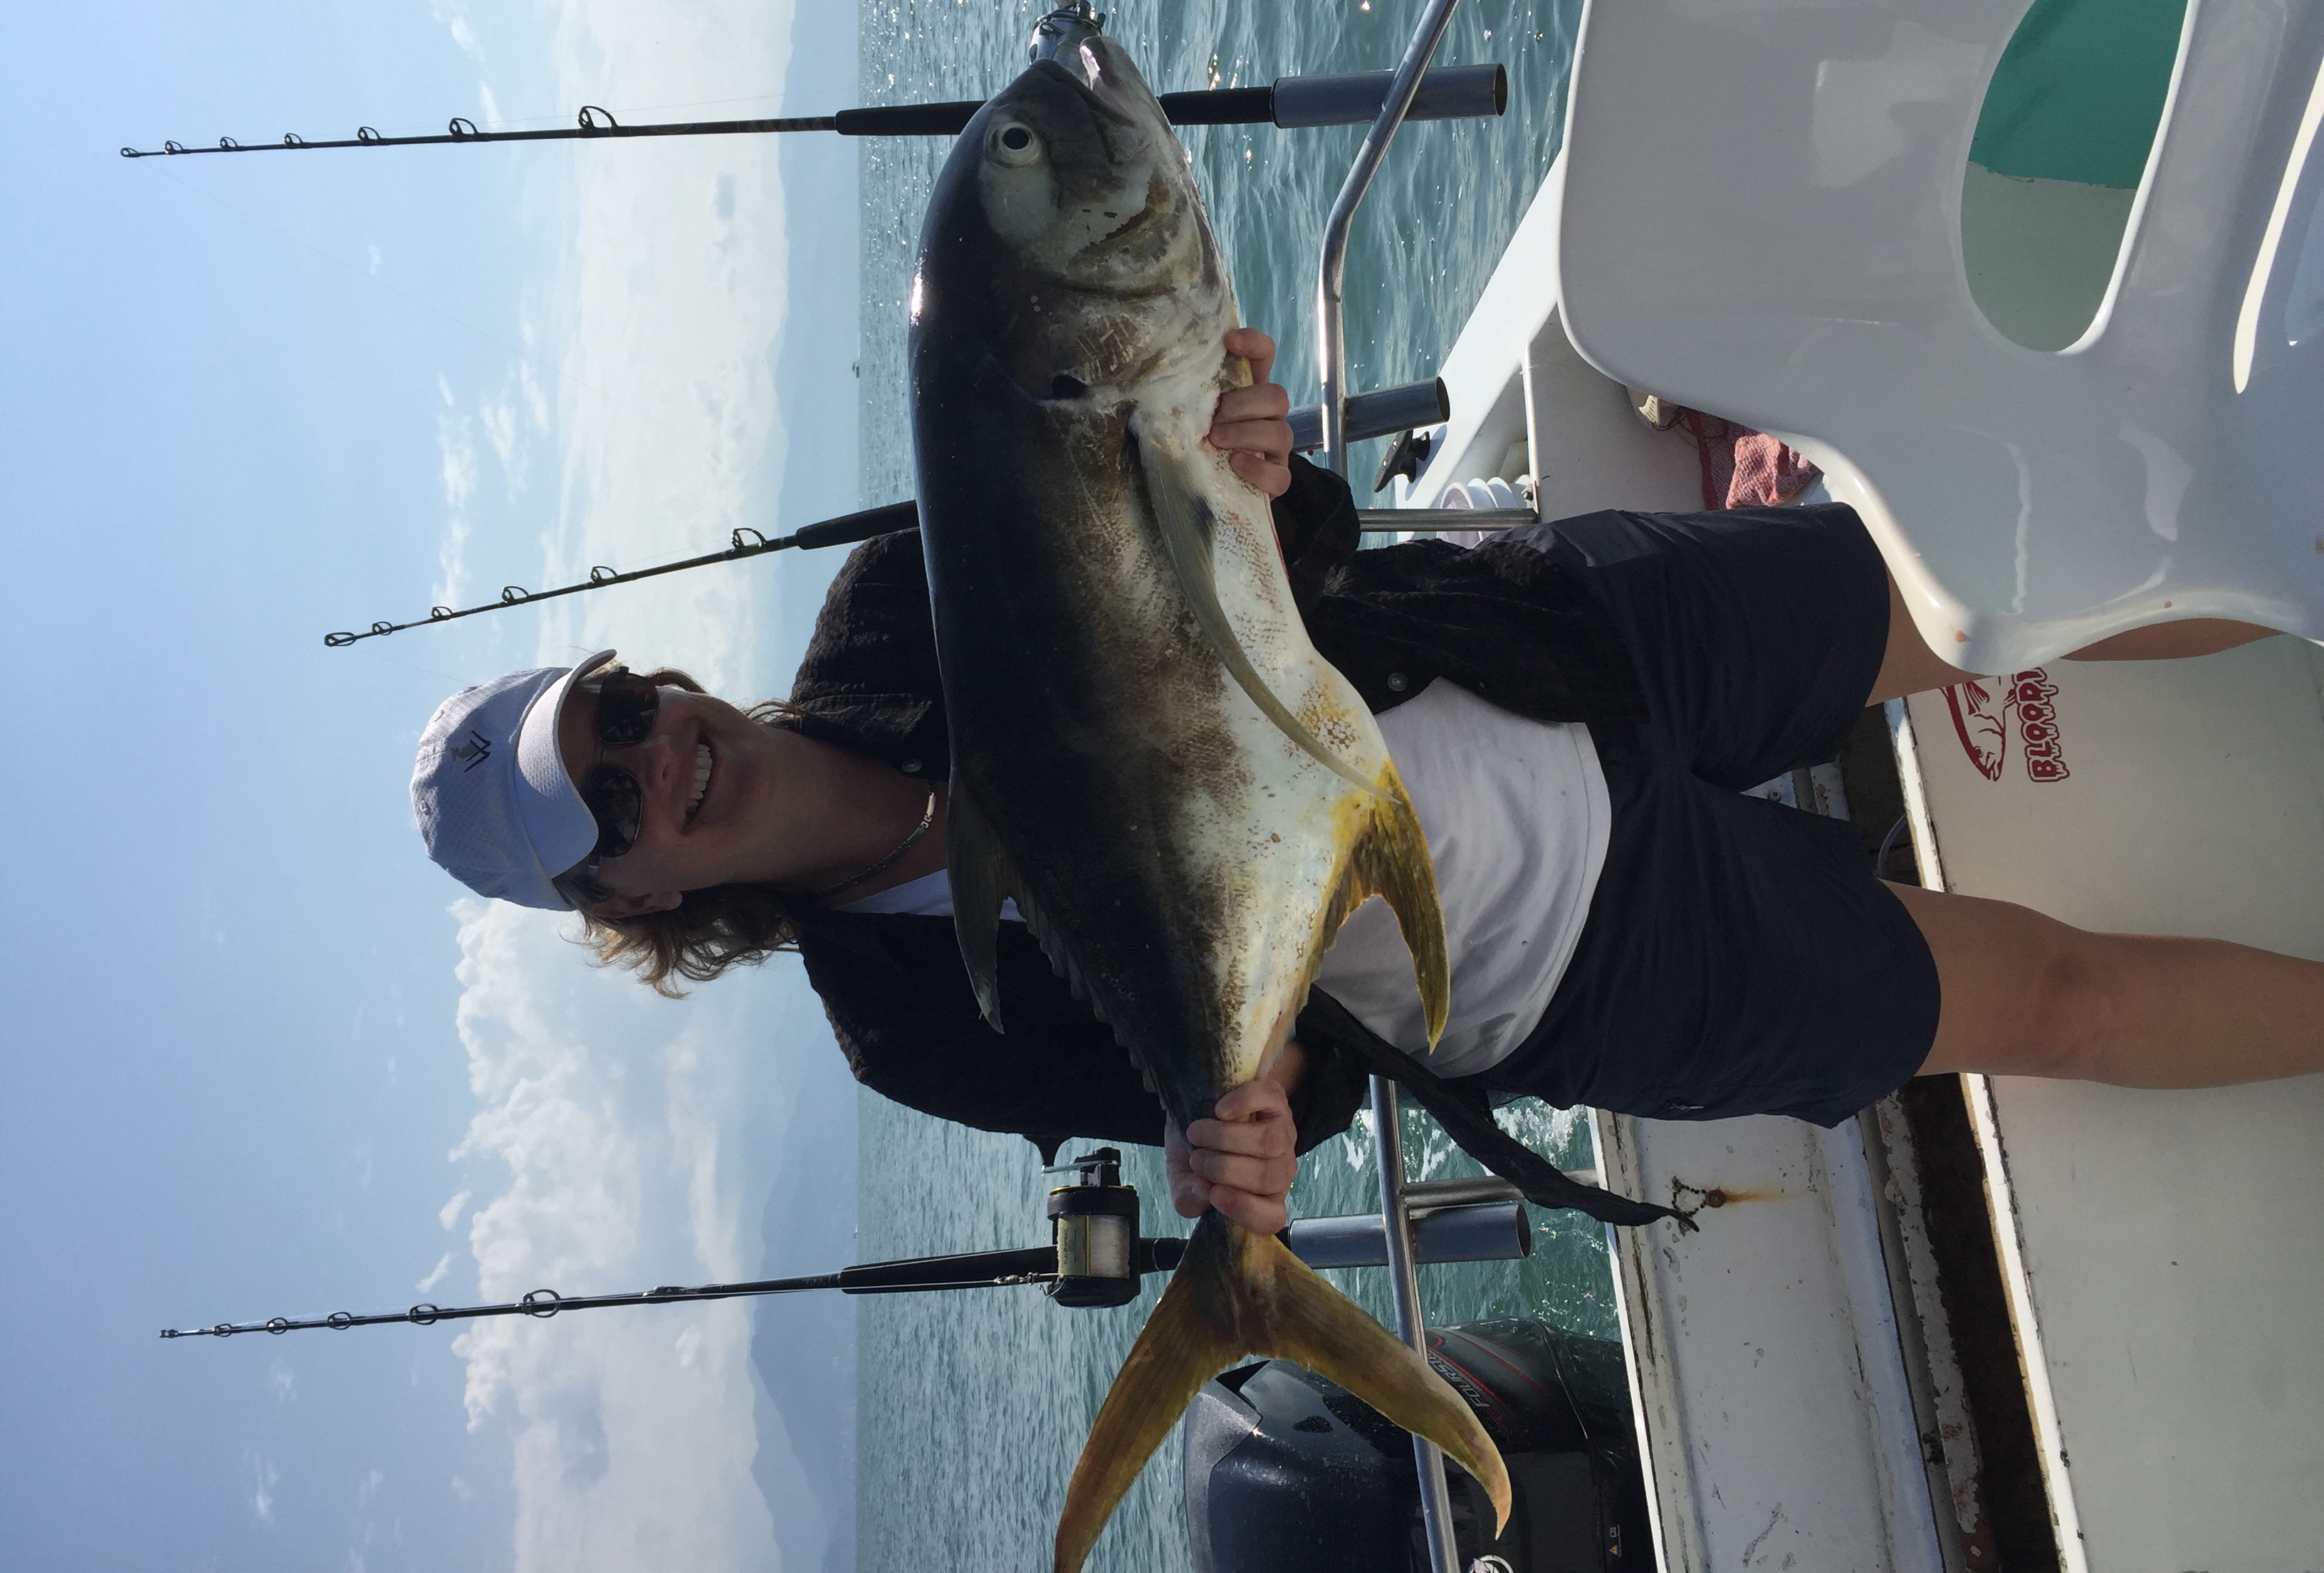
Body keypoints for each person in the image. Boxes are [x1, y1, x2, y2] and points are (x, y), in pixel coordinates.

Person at [412, 328, 2323, 1238]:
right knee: (2051, 1006)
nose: (665, 749)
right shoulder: (911, 1022)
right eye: (620, 802)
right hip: (1574, 958)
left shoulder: (894, 598)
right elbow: (1280, 1083)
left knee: (2003, 601)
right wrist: (1235, 1144)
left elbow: (1278, 544)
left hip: (1553, 633)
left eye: (629, 705)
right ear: (635, 906)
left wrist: (1250, 459)